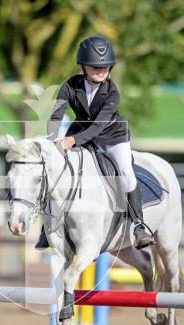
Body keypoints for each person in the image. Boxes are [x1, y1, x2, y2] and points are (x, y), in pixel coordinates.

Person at [36, 35, 155, 250]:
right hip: (80, 131)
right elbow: (56, 115)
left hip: (112, 137)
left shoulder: (112, 92)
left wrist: (72, 140)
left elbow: (98, 126)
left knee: (126, 171)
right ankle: (47, 228)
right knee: (53, 167)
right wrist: (53, 140)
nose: (101, 71)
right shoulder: (69, 86)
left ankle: (139, 225)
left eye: (106, 67)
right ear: (82, 66)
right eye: (95, 66)